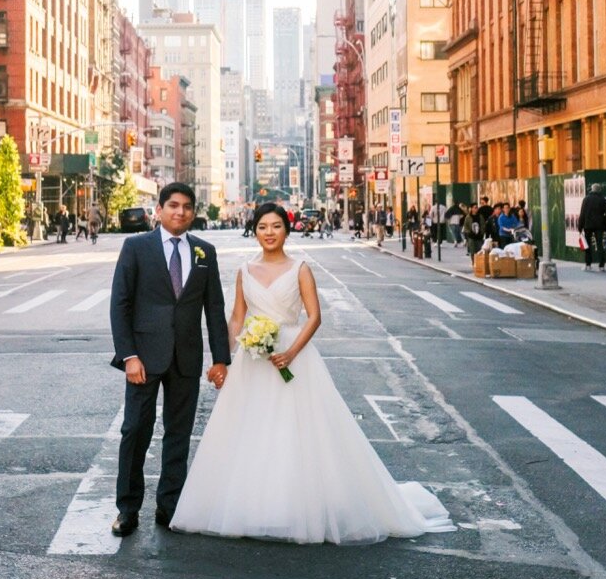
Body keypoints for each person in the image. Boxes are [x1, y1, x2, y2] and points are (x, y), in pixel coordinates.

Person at [171, 202, 452, 543]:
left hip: (294, 357)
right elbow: (236, 318)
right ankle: (257, 506)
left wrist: (290, 352)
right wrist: (223, 358)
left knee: (296, 431)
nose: (269, 233)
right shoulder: (245, 269)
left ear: (286, 230)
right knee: (252, 430)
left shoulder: (300, 268)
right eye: (262, 227)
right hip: (253, 360)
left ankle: (295, 507)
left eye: (276, 226)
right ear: (254, 231)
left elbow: (314, 316)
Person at [109, 182, 229, 538]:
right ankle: (127, 509)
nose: (180, 212)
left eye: (187, 206)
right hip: (143, 360)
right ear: (158, 210)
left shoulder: (205, 252)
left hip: (186, 359)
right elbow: (120, 304)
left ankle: (170, 505)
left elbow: (215, 309)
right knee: (135, 432)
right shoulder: (136, 247)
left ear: (193, 212)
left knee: (179, 435)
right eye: (173, 205)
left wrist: (221, 359)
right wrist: (128, 355)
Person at [577, 184, 606, 271]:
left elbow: (582, 213)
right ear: (599, 190)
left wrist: (580, 227)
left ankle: (588, 264)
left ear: (592, 189)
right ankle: (601, 265)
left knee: (587, 245)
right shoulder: (602, 200)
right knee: (600, 245)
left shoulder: (586, 199)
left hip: (588, 226)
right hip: (599, 226)